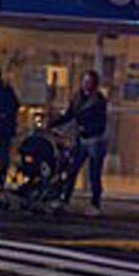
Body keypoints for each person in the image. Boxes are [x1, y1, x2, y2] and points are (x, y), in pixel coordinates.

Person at [55, 69, 109, 215]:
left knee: (94, 173)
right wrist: (55, 123)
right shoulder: (78, 98)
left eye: (89, 82)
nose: (86, 84)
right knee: (72, 170)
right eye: (85, 81)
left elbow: (101, 123)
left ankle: (95, 203)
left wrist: (86, 128)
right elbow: (70, 114)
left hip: (95, 140)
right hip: (82, 139)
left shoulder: (98, 101)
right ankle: (65, 199)